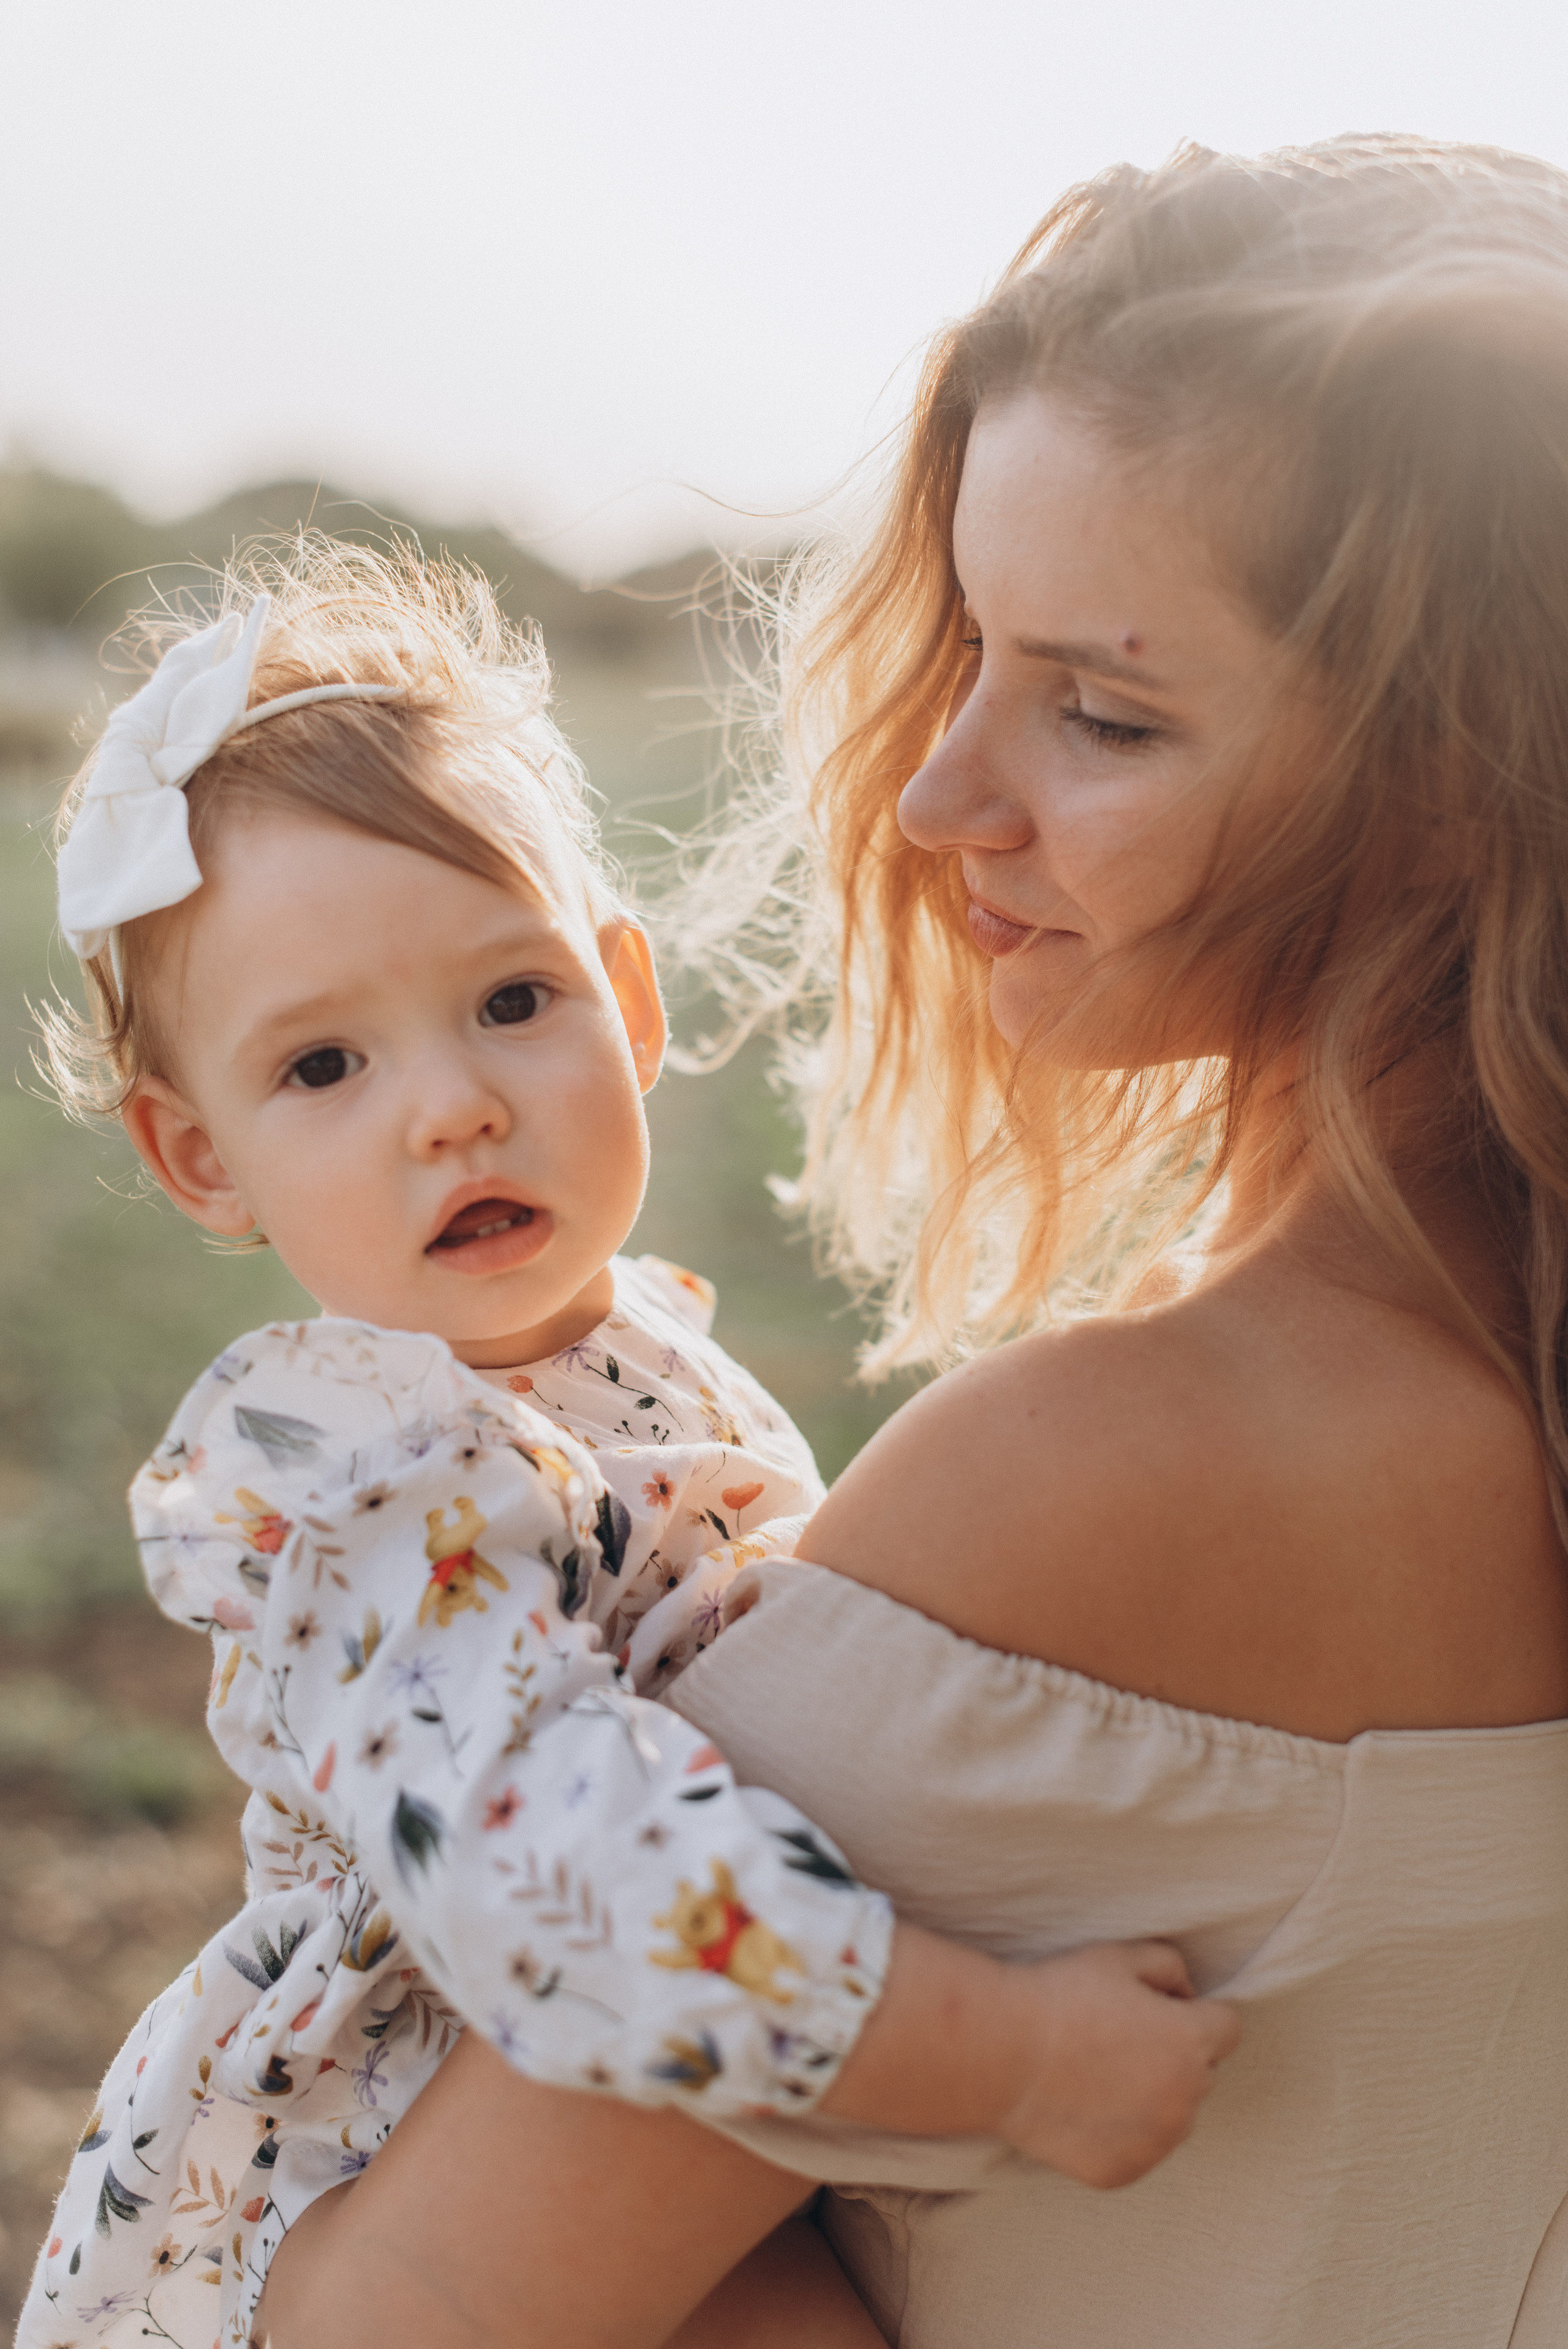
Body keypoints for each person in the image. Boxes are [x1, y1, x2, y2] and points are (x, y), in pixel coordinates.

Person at [260, 134, 1568, 2348]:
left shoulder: (1139, 1470)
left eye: (1106, 710)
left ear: (1466, 776)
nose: (944, 791)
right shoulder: (1494, 1388)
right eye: (971, 646)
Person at [15, 544, 1236, 2349]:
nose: (454, 1102)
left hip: (676, 2084)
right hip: (418, 2154)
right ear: (201, 1158)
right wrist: (1012, 2052)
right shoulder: (359, 1467)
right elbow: (551, 1861)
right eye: (324, 1067)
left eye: (514, 1000)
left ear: (631, 1005)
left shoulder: (645, 1349)